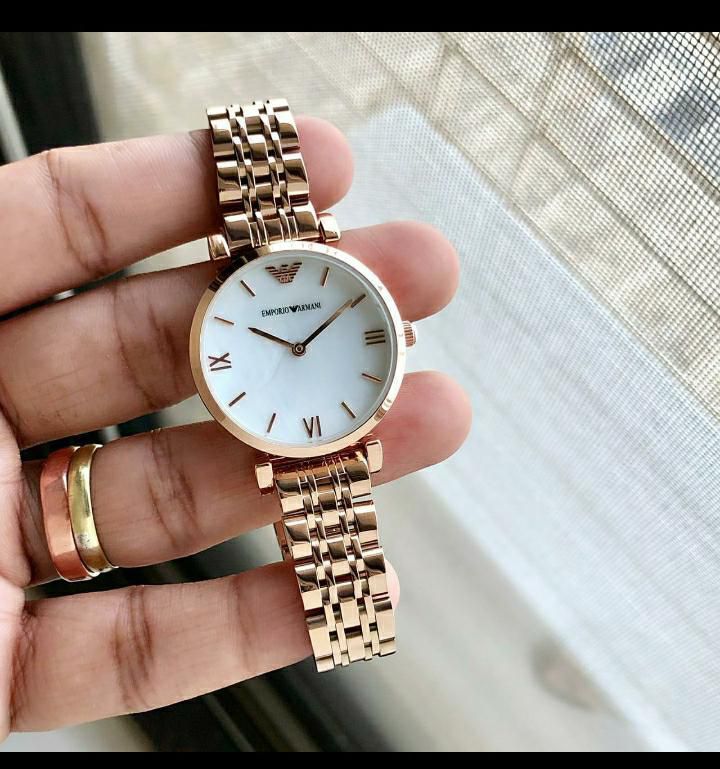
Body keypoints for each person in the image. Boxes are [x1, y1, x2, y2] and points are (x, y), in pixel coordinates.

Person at [0, 116, 471, 738]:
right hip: (292, 436)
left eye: (305, 342)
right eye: (288, 343)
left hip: (327, 433)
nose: (297, 348)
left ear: (396, 336)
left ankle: (351, 620)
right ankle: (350, 619)